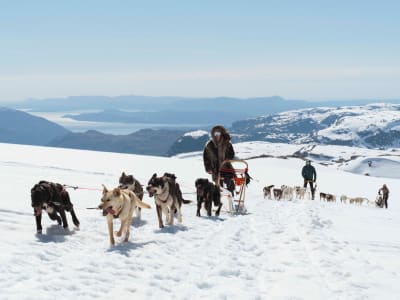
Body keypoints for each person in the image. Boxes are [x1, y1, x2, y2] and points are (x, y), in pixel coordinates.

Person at [203, 125, 235, 191]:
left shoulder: (227, 143)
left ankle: (231, 197)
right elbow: (206, 158)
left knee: (230, 185)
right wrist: (208, 168)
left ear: (221, 134)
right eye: (215, 133)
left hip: (226, 168)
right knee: (218, 187)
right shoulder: (209, 145)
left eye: (218, 133)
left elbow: (231, 153)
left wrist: (228, 159)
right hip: (215, 169)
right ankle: (220, 199)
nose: (216, 135)